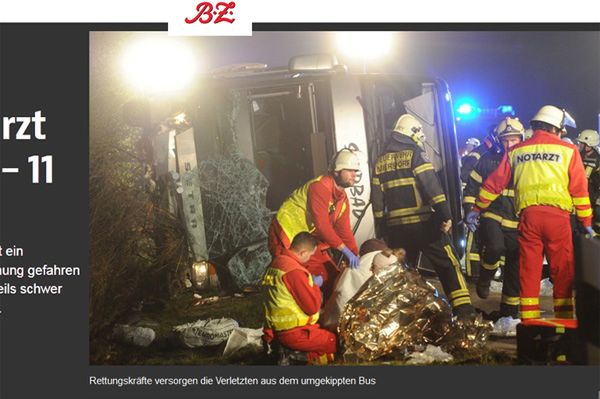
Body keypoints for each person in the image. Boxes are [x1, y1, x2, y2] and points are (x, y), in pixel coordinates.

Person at [467, 105, 593, 320]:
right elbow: (579, 190)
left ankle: (530, 322)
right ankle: (563, 322)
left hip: (528, 219)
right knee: (561, 271)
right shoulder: (568, 151)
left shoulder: (518, 150)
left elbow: (495, 183)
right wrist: (586, 221)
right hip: (558, 219)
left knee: (529, 270)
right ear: (556, 128)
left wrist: (477, 208)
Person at [372, 113, 475, 318]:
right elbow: (430, 185)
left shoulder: (380, 161)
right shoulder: (415, 154)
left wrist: (382, 226)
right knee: (448, 263)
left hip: (396, 229)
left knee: (402, 271)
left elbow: (377, 199)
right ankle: (463, 311)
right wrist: (445, 213)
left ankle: (406, 315)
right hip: (423, 224)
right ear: (413, 134)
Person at [268, 149, 360, 300]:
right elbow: (322, 225)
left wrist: (355, 254)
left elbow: (345, 232)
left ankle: (326, 315)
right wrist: (345, 251)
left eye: (355, 171)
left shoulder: (342, 199)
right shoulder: (320, 187)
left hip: (306, 240)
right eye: (349, 170)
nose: (354, 174)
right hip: (286, 234)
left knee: (330, 277)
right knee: (292, 277)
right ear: (337, 171)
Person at [463, 117, 524, 319]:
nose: (509, 144)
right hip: (492, 212)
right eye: (505, 140)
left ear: (521, 139)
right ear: (498, 140)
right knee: (495, 247)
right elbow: (472, 187)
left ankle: (509, 313)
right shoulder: (487, 160)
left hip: (517, 218)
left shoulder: (527, 161)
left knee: (514, 266)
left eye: (513, 140)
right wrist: (469, 210)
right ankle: (485, 278)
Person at [262, 232, 337, 365]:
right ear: (303, 252)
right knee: (333, 342)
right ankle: (296, 357)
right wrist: (314, 286)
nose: (310, 259)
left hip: (276, 330)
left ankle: (292, 355)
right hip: (295, 332)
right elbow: (311, 307)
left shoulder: (276, 264)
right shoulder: (294, 271)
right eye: (310, 255)